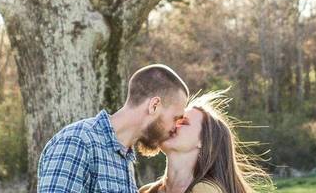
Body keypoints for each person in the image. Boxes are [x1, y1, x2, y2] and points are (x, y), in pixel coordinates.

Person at [37, 64, 190, 193]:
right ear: (154, 105)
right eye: (175, 118)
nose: (175, 128)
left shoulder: (125, 159)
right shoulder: (78, 142)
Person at [138, 91, 266, 193]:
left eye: (183, 122)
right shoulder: (146, 191)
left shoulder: (205, 190)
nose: (172, 125)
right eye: (173, 119)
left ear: (203, 141)